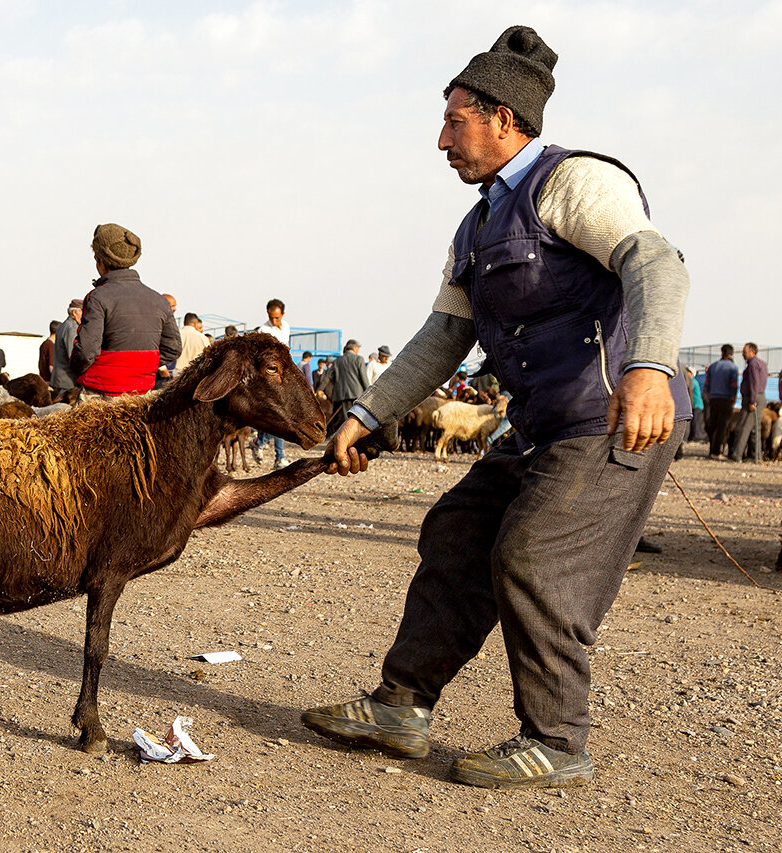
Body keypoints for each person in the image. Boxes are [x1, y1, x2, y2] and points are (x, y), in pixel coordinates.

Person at [303, 26, 691, 789]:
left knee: (533, 554)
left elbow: (657, 262)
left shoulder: (574, 183)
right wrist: (368, 412)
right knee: (456, 531)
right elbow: (442, 337)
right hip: (541, 422)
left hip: (609, 414)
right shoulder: (476, 226)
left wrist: (648, 370)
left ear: (504, 119)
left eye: (454, 121)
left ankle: (556, 737)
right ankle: (401, 705)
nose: (440, 140)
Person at [71, 223, 180, 397]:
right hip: (142, 396)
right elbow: (173, 349)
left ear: (100, 261)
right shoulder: (159, 300)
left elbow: (86, 352)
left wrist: (80, 371)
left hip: (100, 395)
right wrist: (140, 368)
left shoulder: (98, 297)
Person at [254, 299, 292, 467]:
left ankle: (261, 443)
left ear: (282, 315)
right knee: (279, 416)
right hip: (270, 378)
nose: (274, 321)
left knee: (283, 416)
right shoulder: (264, 330)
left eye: (277, 317)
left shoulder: (287, 327)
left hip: (283, 375)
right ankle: (279, 456)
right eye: (271, 317)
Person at [317, 339, 369, 437]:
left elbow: (328, 377)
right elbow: (363, 378)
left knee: (340, 419)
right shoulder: (359, 359)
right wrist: (368, 392)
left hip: (340, 395)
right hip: (355, 394)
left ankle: (332, 436)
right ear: (354, 348)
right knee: (353, 419)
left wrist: (320, 389)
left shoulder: (337, 361)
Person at [729, 342, 767, 463]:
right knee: (755, 428)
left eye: (745, 352)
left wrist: (752, 401)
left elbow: (754, 383)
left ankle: (737, 455)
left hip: (752, 398)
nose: (743, 355)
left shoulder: (753, 364)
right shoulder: (761, 363)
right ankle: (755, 456)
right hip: (759, 397)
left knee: (743, 427)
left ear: (752, 352)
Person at [704, 344, 738, 458]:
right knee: (723, 426)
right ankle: (717, 451)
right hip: (726, 399)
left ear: (722, 352)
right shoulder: (733, 368)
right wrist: (733, 398)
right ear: (731, 354)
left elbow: (707, 383)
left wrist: (709, 395)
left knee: (712, 424)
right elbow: (734, 385)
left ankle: (711, 450)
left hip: (714, 398)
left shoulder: (713, 366)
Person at [50, 299, 82, 393]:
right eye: (82, 311)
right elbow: (72, 355)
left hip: (60, 379)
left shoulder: (63, 326)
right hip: (67, 381)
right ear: (74, 312)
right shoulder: (71, 328)